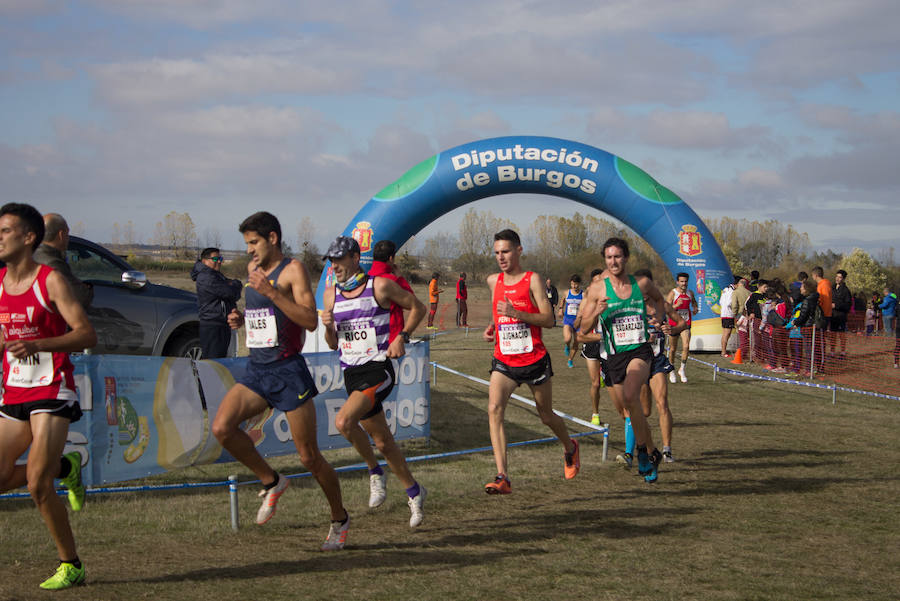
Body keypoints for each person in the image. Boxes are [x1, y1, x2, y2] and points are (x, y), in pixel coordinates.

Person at [211, 211, 349, 551]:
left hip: (288, 370)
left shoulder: (293, 269)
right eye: (246, 244)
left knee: (309, 457)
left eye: (254, 242)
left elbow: (309, 321)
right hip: (257, 369)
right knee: (222, 429)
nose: (249, 251)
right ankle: (272, 481)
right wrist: (242, 318)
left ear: (273, 238)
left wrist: (272, 293)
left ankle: (339, 519)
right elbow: (266, 317)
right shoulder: (253, 272)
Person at [0, 203, 97, 590]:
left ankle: (70, 564)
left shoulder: (50, 280)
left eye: (5, 231)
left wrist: (40, 342)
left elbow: (86, 334)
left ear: (28, 237)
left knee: (37, 485)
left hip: (52, 386)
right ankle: (66, 469)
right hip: (15, 388)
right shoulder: (0, 284)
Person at [321, 236, 428, 527]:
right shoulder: (330, 294)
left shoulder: (378, 285)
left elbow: (419, 308)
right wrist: (328, 327)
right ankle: (415, 492)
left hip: (378, 370)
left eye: (339, 259)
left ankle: (374, 472)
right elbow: (333, 344)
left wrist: (401, 336)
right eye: (331, 261)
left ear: (355, 258)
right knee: (383, 441)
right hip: (350, 373)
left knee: (343, 422)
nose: (335, 266)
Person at [482, 229, 579, 494]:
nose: (501, 257)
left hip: (534, 359)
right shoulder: (494, 281)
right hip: (504, 361)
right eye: (497, 253)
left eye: (506, 251)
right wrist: (492, 326)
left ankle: (570, 447)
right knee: (494, 409)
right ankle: (503, 476)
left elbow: (549, 320)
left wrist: (515, 312)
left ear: (519, 251)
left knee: (546, 415)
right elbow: (498, 314)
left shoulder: (532, 279)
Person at [577, 237, 671, 483]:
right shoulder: (598, 289)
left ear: (626, 257)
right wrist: (596, 312)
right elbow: (583, 327)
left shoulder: (641, 284)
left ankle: (641, 452)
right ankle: (652, 452)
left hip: (639, 351)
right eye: (609, 257)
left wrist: (659, 319)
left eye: (617, 256)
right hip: (614, 355)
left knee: (631, 395)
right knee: (629, 409)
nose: (613, 261)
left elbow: (661, 301)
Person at [635, 269, 686, 463]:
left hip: (657, 361)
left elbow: (682, 323)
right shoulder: (632, 308)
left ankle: (667, 450)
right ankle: (647, 447)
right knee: (645, 411)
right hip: (638, 362)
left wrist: (672, 329)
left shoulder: (663, 306)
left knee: (662, 403)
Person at [32, 213, 93, 309]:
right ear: (61, 235)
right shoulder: (54, 264)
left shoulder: (30, 257)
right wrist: (87, 288)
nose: (67, 238)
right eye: (67, 234)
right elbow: (80, 298)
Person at [191, 247, 242, 359]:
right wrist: (236, 285)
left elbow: (232, 288)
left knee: (222, 362)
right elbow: (231, 293)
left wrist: (234, 284)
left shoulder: (215, 275)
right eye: (215, 259)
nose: (219, 261)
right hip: (212, 325)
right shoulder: (206, 277)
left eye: (220, 258)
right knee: (213, 363)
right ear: (205, 261)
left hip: (222, 324)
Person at [574, 269, 607, 425]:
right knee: (595, 383)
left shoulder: (612, 297)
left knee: (617, 381)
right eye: (595, 281)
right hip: (592, 342)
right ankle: (595, 414)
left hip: (610, 345)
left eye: (601, 280)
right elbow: (580, 323)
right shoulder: (587, 299)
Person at [666, 272, 699, 383]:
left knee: (686, 346)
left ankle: (682, 369)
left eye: (685, 281)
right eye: (681, 281)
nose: (684, 283)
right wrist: (676, 306)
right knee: (673, 349)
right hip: (674, 324)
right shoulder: (673, 293)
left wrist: (695, 308)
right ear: (677, 282)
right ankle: (671, 370)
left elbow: (694, 302)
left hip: (685, 323)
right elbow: (667, 308)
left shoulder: (690, 293)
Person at [560, 274, 583, 368]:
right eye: (572, 284)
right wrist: (561, 308)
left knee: (577, 342)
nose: (574, 286)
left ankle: (570, 360)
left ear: (579, 284)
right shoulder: (567, 292)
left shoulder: (583, 294)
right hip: (568, 320)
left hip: (578, 322)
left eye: (576, 284)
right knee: (567, 338)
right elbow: (562, 300)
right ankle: (567, 345)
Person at [830, 269, 852, 356]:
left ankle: (842, 351)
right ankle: (832, 351)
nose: (837, 279)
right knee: (832, 335)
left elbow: (848, 305)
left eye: (840, 277)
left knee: (842, 335)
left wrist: (836, 305)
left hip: (841, 316)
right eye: (837, 276)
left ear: (843, 279)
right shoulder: (832, 287)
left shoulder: (846, 291)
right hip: (832, 316)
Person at [730, 277, 752, 358]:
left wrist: (734, 314)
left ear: (739, 284)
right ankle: (747, 352)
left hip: (739, 315)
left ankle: (742, 353)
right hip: (748, 315)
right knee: (748, 336)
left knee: (741, 335)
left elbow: (734, 305)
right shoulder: (750, 292)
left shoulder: (735, 292)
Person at [718, 276, 738, 357]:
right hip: (728, 314)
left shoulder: (726, 289)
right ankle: (723, 352)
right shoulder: (732, 291)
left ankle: (723, 351)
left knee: (726, 333)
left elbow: (721, 302)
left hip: (724, 314)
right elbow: (729, 303)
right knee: (726, 333)